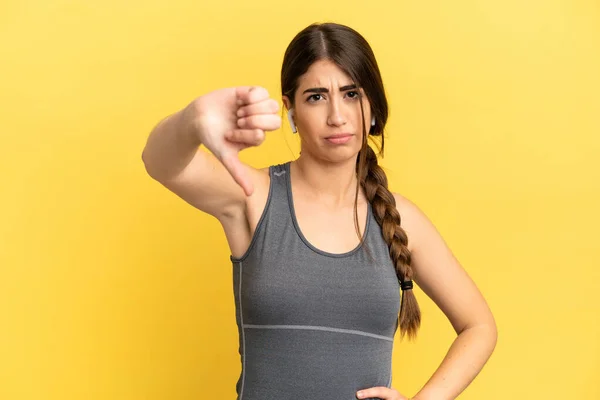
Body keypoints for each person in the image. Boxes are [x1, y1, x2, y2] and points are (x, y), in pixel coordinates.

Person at [142, 22, 497, 400]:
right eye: (315, 96)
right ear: (290, 110)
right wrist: (193, 120)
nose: (336, 116)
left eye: (350, 94)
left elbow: (479, 327)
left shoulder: (400, 219)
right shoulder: (253, 195)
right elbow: (160, 162)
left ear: (372, 105)